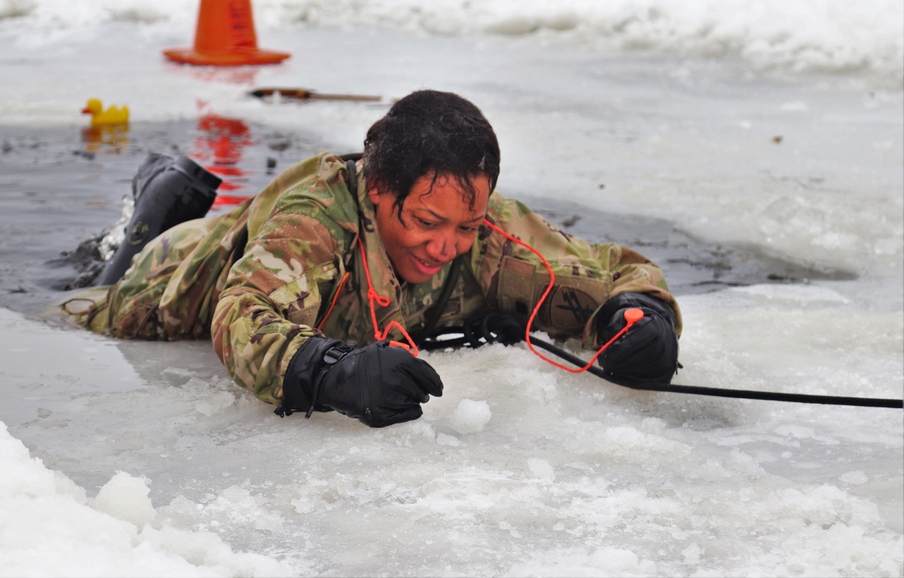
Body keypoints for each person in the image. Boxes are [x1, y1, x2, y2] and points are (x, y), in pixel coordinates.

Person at [60, 90, 682, 428]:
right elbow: (240, 316)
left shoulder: (490, 233)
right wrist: (327, 369)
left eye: (466, 225)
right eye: (426, 222)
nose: (446, 247)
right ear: (378, 190)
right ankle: (161, 195)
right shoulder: (315, 223)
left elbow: (614, 272)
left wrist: (640, 317)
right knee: (109, 276)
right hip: (162, 289)